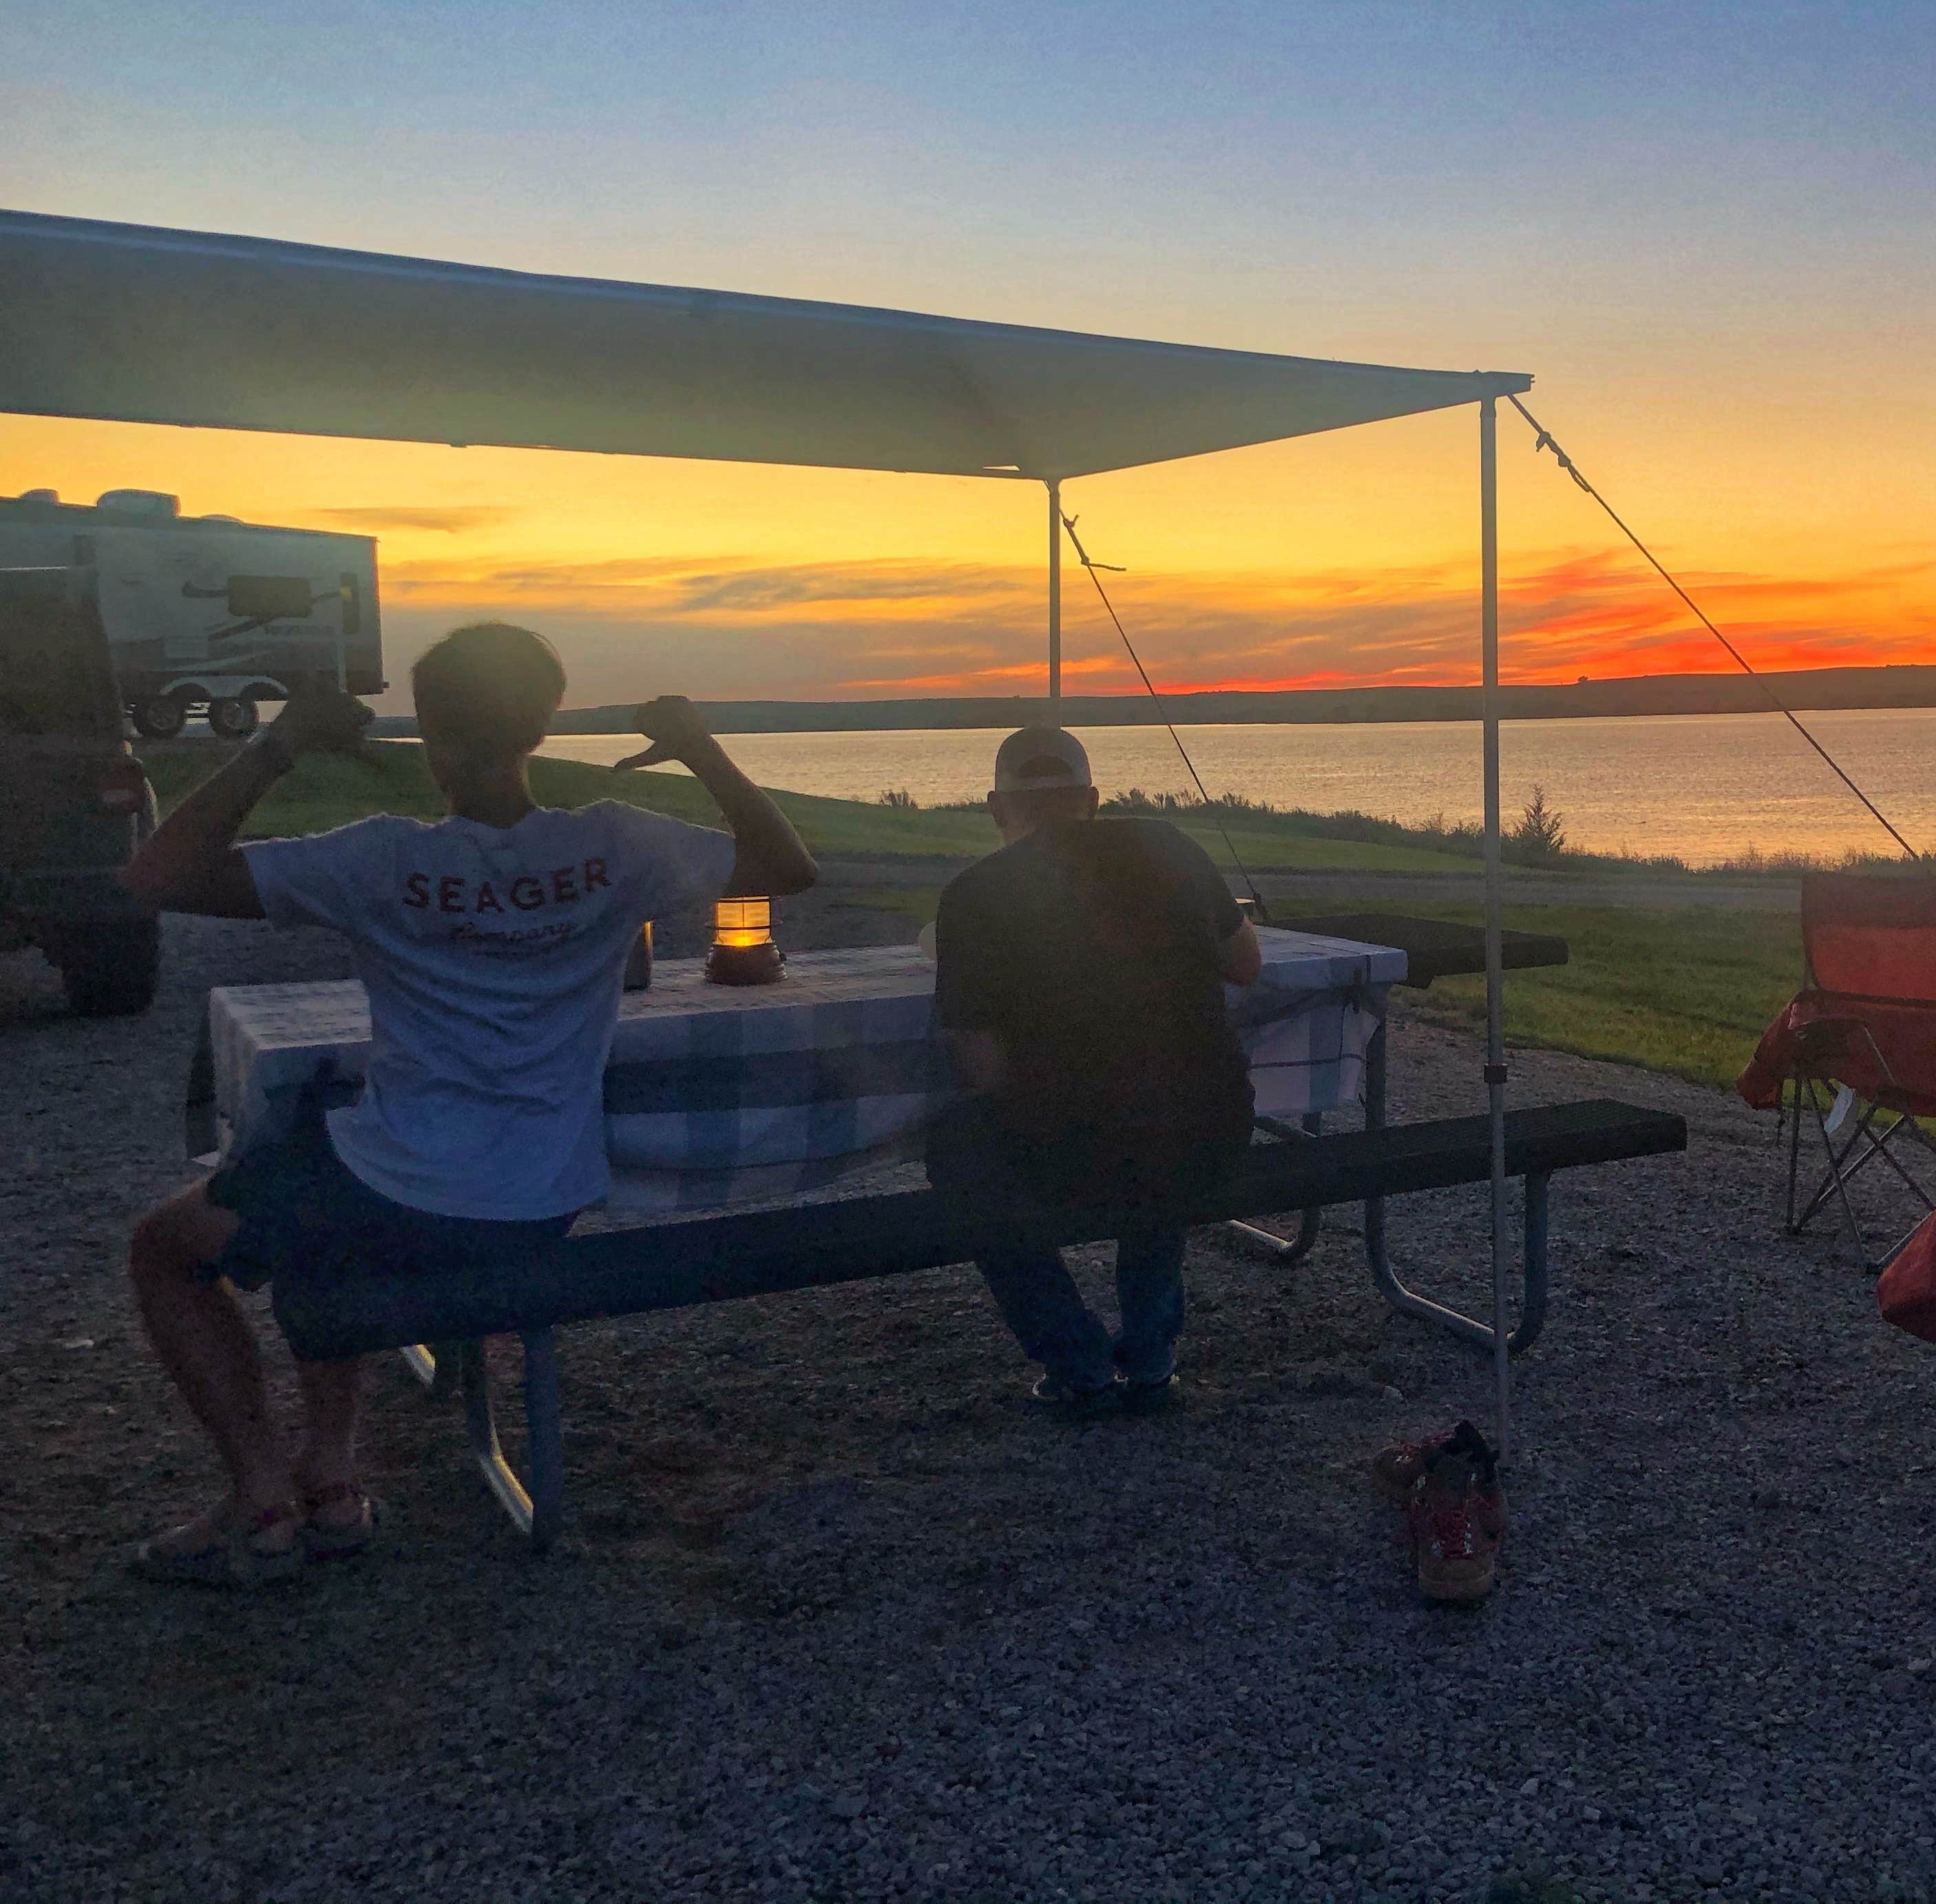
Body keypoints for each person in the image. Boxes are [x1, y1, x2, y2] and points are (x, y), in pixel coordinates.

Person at [120, 624, 817, 1587]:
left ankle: (262, 1500)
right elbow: (788, 868)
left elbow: (157, 874)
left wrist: (279, 745)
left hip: (401, 1193)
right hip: (542, 1201)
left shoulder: (377, 858)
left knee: (169, 1245)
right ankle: (328, 1478)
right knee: (322, 1160)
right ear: (540, 727)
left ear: (432, 739)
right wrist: (698, 747)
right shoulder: (616, 843)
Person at [931, 723, 1261, 1415]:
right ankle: (1152, 1355)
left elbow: (982, 1069)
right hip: (1213, 1136)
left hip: (1071, 1157)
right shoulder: (1168, 845)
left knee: (957, 1148)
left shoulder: (973, 895)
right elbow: (1245, 964)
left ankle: (1078, 1364)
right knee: (1165, 1104)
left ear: (996, 808)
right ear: (1093, 799)